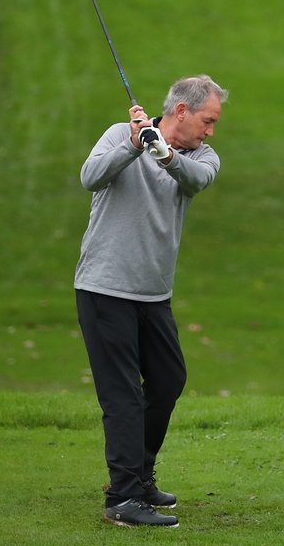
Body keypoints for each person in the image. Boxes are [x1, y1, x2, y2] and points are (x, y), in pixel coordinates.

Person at [74, 74, 227, 528]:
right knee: (123, 396)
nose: (211, 130)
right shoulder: (121, 135)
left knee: (168, 379)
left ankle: (138, 476)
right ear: (181, 110)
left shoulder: (203, 155)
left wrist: (164, 154)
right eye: (207, 120)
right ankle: (122, 498)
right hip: (104, 287)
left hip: (153, 293)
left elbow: (196, 180)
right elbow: (90, 177)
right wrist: (138, 145)